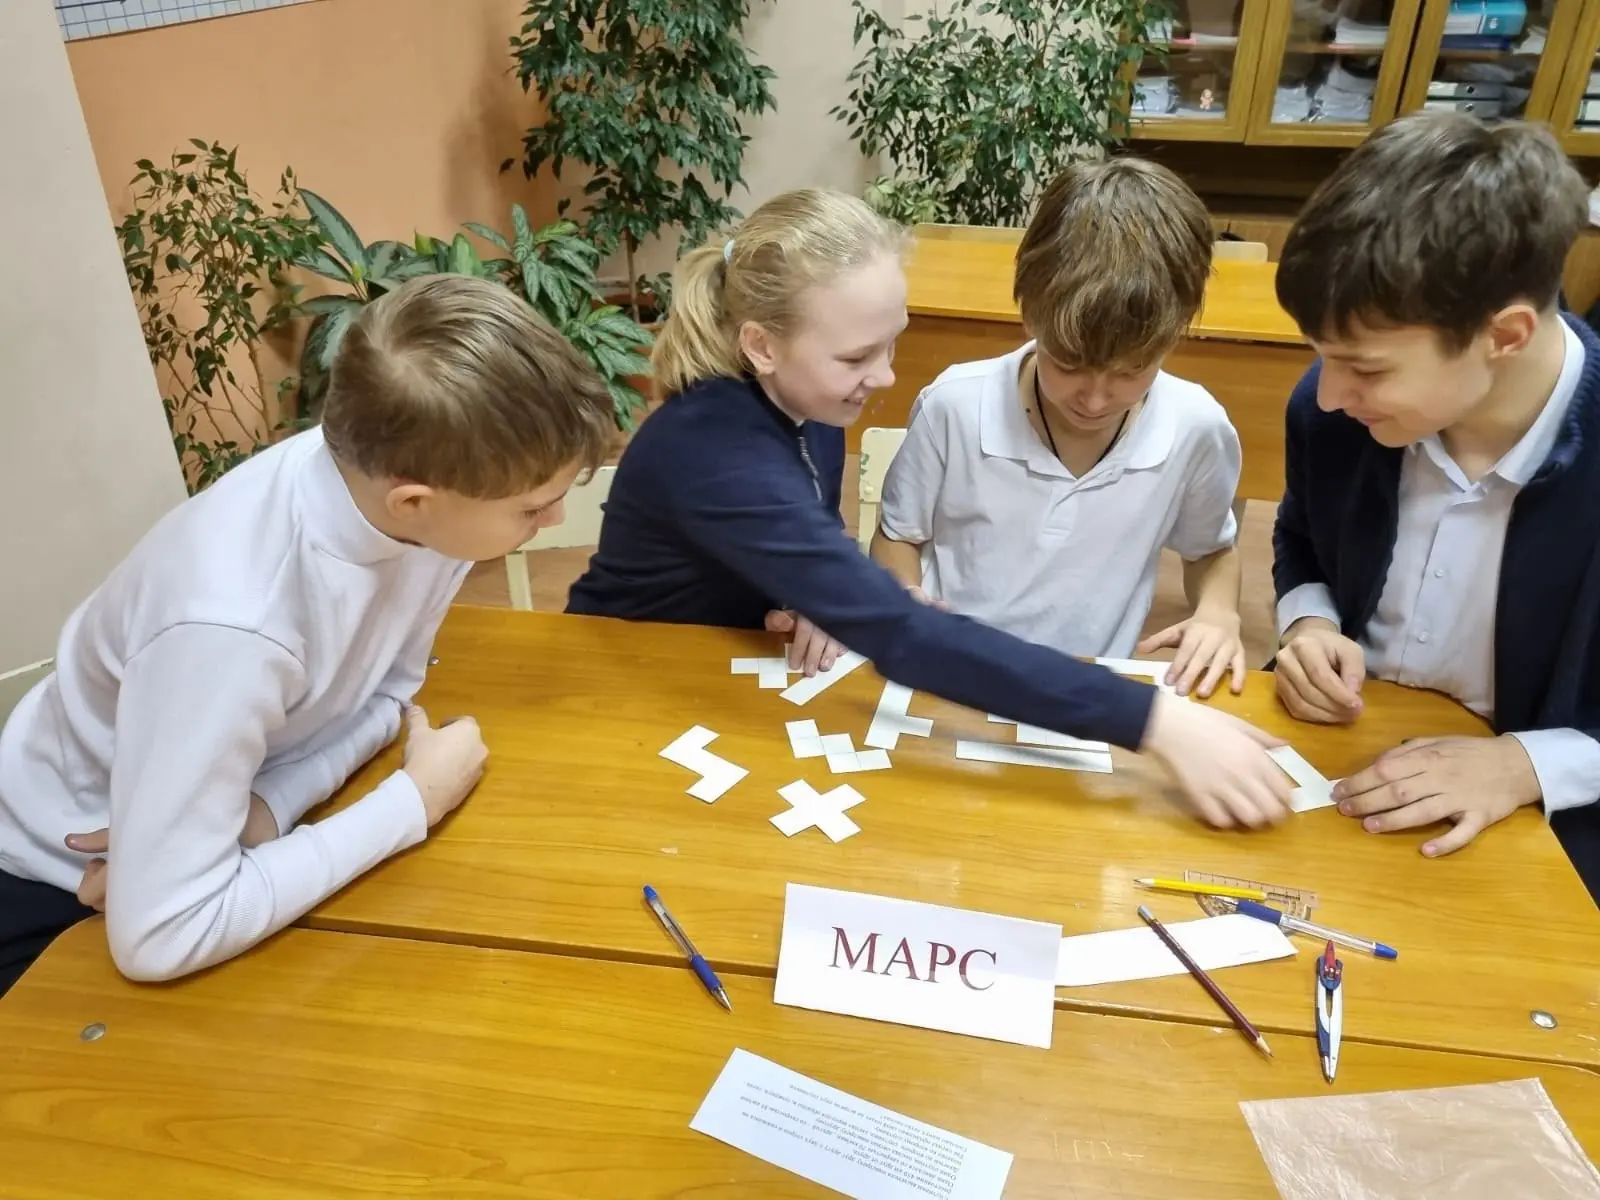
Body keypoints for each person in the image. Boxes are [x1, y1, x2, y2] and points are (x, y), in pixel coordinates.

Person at [568, 187, 1289, 830]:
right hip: (620, 685)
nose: (884, 378)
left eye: (892, 344)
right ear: (761, 345)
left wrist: (814, 588)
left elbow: (803, 534)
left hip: (716, 674)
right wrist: (1155, 721)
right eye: (857, 357)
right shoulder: (716, 446)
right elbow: (901, 634)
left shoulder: (809, 399)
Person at [0, 275, 615, 993]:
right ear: (413, 501)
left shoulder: (416, 506)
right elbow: (163, 935)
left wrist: (259, 814)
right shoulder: (234, 624)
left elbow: (386, 700)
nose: (553, 523)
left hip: (188, 846)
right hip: (55, 880)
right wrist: (414, 801)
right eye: (534, 509)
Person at [1269, 111, 1600, 893]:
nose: (1331, 393)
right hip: (1338, 768)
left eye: (1367, 369)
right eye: (1323, 357)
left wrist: (1525, 764)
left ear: (1505, 335)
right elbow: (1300, 535)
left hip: (1535, 831)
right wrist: (1309, 622)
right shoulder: (1331, 415)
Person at [871, 158, 1246, 698]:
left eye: (1131, 372)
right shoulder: (955, 406)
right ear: (1031, 315)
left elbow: (1210, 550)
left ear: (1174, 337)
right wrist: (904, 598)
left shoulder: (1196, 427)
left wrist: (1218, 613)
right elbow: (899, 535)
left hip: (1085, 693)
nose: (1094, 399)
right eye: (1068, 363)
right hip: (950, 673)